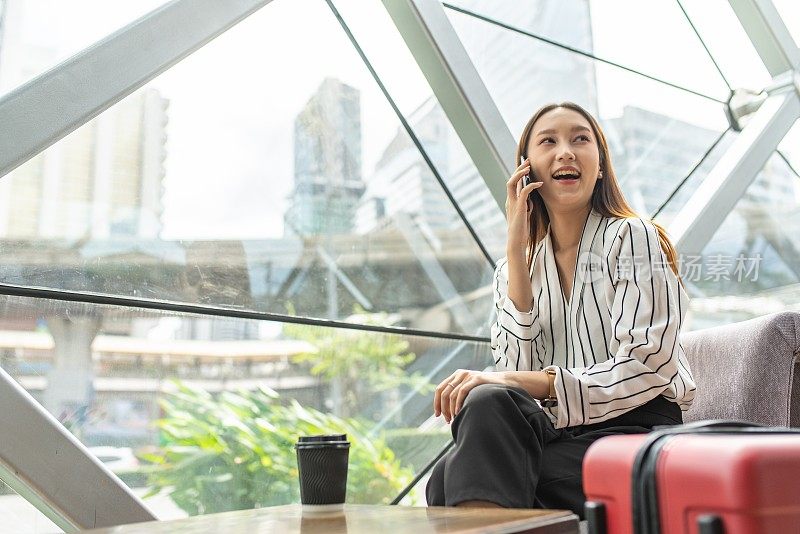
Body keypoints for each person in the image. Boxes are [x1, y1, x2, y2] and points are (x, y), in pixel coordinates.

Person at [425, 101, 696, 518]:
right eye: (548, 141)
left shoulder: (631, 236)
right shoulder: (513, 270)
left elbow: (648, 365)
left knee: (461, 479)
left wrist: (534, 383)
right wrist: (516, 255)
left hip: (637, 428)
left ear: (600, 165)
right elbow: (512, 377)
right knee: (486, 405)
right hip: (557, 434)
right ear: (527, 168)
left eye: (580, 139)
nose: (565, 151)